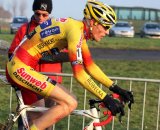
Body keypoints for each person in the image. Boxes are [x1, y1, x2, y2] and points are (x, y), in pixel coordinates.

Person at [6, 1, 134, 129]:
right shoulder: (75, 31)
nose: (107, 32)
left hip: (25, 67)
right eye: (106, 27)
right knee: (69, 103)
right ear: (94, 22)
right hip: (20, 67)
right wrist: (105, 97)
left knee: (71, 98)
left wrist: (116, 88)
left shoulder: (78, 30)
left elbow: (90, 66)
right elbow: (79, 74)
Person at [8, 0, 68, 129]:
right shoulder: (24, 29)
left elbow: (69, 53)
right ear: (33, 11)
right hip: (30, 83)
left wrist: (41, 56)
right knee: (30, 120)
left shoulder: (58, 29)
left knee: (47, 123)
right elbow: (12, 52)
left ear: (50, 14)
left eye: (44, 15)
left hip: (52, 83)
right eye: (37, 13)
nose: (40, 17)